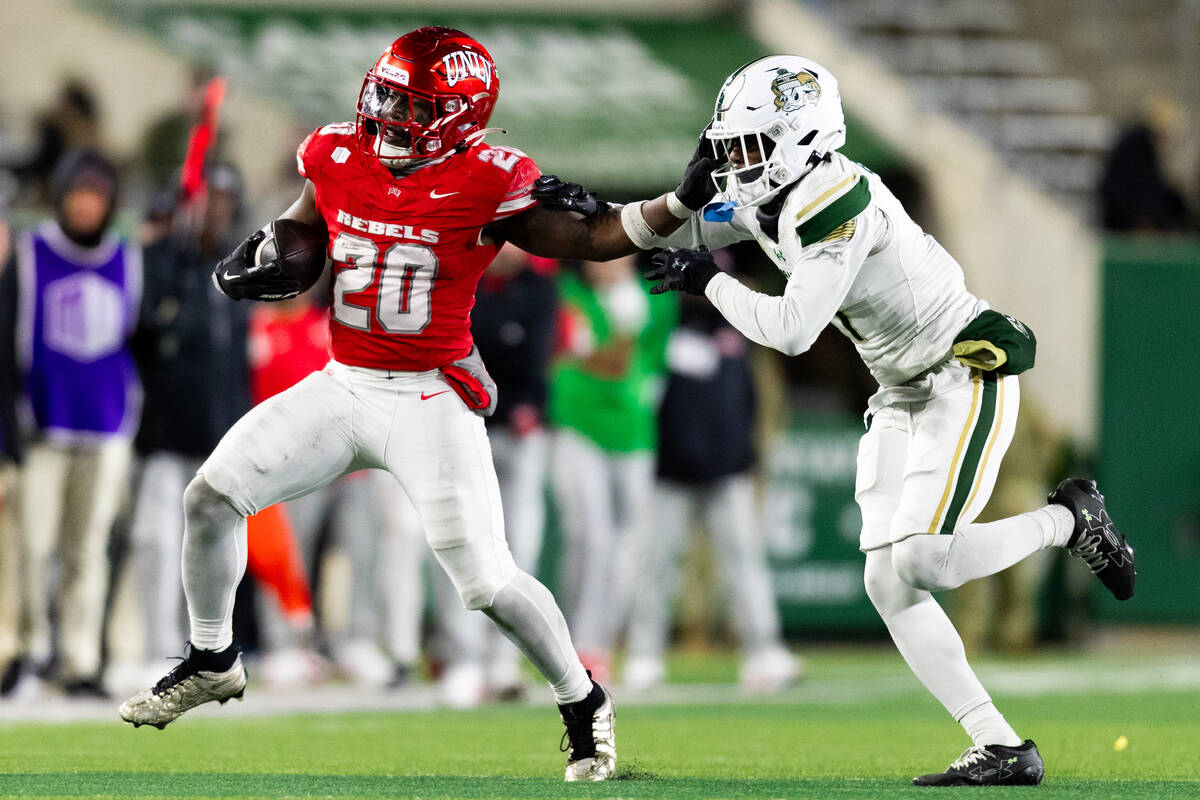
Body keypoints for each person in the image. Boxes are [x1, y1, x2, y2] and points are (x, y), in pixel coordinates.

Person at [532, 55, 1137, 786]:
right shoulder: (772, 193)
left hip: (961, 372)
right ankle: (1001, 745)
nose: (738, 162)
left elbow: (791, 329)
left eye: (752, 145)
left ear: (805, 137)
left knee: (920, 559)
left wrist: (710, 286)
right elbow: (682, 233)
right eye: (729, 147)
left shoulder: (834, 199)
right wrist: (668, 202)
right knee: (889, 583)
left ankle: (1071, 520)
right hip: (899, 389)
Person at [116, 26, 660, 782]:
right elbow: (306, 227)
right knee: (210, 495)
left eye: (411, 104)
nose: (388, 113)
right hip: (346, 382)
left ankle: (582, 698)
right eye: (387, 94)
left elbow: (595, 236)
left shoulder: (487, 177)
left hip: (430, 397)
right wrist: (276, 254)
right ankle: (213, 657)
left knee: (487, 583)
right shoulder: (337, 153)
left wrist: (678, 203)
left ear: (458, 117)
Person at [5, 149, 141, 697]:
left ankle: (80, 659)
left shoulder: (128, 260)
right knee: (33, 545)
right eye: (77, 193)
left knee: (88, 549)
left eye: (97, 195)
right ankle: (33, 650)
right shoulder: (31, 254)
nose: (87, 205)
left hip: (107, 426)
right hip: (43, 426)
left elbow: (138, 346)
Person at [623, 273, 799, 694]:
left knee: (743, 562)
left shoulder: (738, 329)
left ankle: (764, 650)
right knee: (654, 565)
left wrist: (751, 457)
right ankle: (644, 654)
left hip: (728, 470)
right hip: (669, 471)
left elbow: (750, 401)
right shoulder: (661, 324)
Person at [549, 253, 676, 684]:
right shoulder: (569, 296)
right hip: (578, 423)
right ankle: (580, 643)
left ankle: (618, 643)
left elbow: (653, 365)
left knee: (634, 547)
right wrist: (624, 329)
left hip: (634, 431)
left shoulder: (653, 299)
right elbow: (604, 359)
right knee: (592, 537)